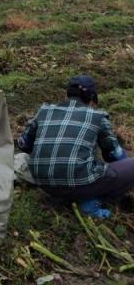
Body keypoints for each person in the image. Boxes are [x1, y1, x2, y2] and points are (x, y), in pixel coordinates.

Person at [18, 75, 134, 218]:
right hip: (80, 183)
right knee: (127, 169)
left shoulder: (44, 111)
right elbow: (114, 155)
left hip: (44, 183)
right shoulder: (97, 116)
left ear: (67, 94)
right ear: (91, 99)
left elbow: (23, 145)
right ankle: (91, 202)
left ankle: (72, 197)